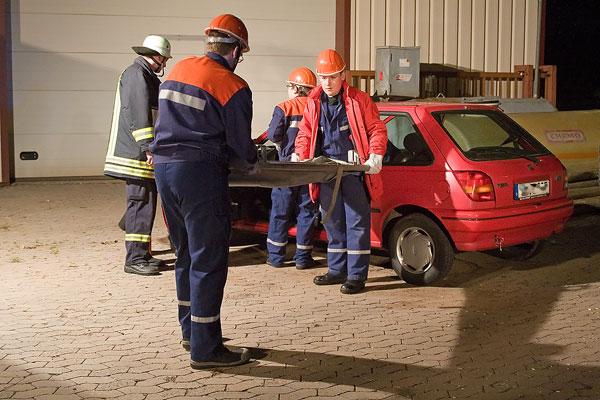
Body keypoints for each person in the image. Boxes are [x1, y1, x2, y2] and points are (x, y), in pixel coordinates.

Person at [149, 14, 257, 369]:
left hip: (164, 170)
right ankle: (207, 350)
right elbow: (240, 148)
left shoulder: (179, 69)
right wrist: (253, 157)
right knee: (209, 260)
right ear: (235, 50)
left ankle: (191, 332)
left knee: (185, 255)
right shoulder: (232, 85)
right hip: (199, 174)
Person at [294, 49, 387, 294]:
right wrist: (300, 154)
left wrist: (375, 154)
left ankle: (356, 275)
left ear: (343, 75)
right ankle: (337, 270)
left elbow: (376, 129)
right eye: (323, 77)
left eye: (333, 77)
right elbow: (305, 132)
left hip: (353, 171)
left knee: (356, 222)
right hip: (326, 170)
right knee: (332, 221)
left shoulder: (359, 100)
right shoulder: (314, 101)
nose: (328, 83)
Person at [104, 34, 172, 276]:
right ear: (157, 56)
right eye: (164, 59)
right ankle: (134, 259)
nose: (165, 63)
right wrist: (148, 147)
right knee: (140, 204)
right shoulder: (136, 75)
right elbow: (139, 113)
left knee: (145, 204)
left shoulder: (145, 75)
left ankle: (142, 254)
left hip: (139, 152)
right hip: (136, 154)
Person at [266, 67, 319, 269]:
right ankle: (303, 258)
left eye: (289, 86)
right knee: (306, 212)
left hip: (286, 168)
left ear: (296, 88)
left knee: (281, 211)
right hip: (310, 168)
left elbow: (273, 135)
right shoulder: (318, 108)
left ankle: (276, 257)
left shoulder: (284, 107)